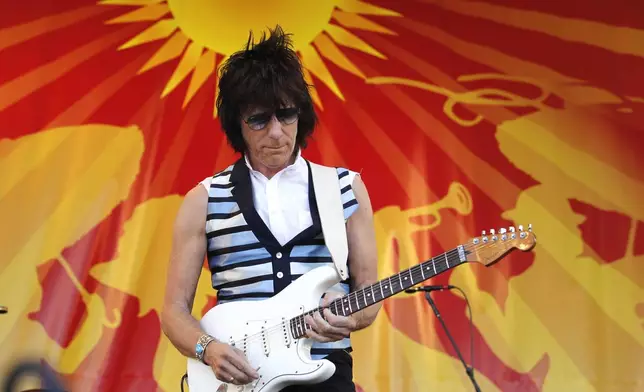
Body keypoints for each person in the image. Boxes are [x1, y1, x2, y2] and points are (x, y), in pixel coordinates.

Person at [160, 25, 380, 391]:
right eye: (259, 119)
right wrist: (208, 349)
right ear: (237, 125)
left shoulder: (344, 188)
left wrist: (351, 317)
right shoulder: (204, 199)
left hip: (325, 373)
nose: (276, 132)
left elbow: (368, 290)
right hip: (241, 380)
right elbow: (173, 311)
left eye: (286, 115)